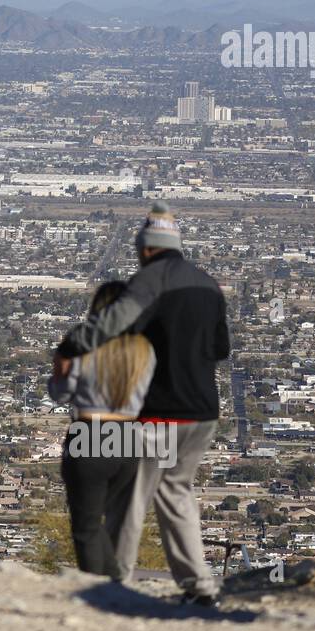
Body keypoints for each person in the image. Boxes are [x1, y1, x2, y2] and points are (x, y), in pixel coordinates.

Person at [54, 201, 230, 605]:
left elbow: (111, 323)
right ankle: (200, 587)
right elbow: (220, 348)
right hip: (203, 412)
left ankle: (116, 586)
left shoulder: (150, 280)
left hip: (160, 413)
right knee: (177, 493)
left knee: (129, 503)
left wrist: (70, 346)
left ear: (147, 248)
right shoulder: (208, 284)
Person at [49, 280, 155, 579]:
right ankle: (115, 587)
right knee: (101, 525)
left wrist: (60, 368)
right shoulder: (144, 349)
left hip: (90, 433)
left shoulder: (83, 343)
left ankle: (104, 593)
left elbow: (61, 393)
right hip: (129, 439)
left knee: (86, 526)